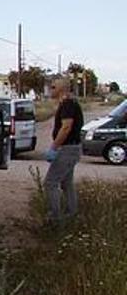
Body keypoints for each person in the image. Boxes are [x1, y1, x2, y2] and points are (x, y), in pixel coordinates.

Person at [45, 77, 84, 225]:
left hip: (68, 148)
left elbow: (66, 127)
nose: (51, 89)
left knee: (51, 182)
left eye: (53, 87)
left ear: (61, 89)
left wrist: (54, 147)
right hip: (71, 148)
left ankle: (55, 218)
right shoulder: (69, 103)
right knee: (66, 184)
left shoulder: (68, 104)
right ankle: (71, 215)